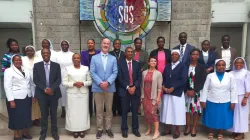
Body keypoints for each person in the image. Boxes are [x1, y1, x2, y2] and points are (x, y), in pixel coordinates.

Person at [200, 59, 237, 140]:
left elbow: (233, 89)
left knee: (223, 117)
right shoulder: (210, 76)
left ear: (225, 66)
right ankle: (211, 132)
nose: (221, 67)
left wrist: (233, 101)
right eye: (219, 65)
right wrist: (203, 100)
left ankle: (221, 132)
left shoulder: (230, 76)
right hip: (212, 99)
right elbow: (205, 88)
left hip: (225, 100)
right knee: (212, 116)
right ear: (215, 66)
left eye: (223, 65)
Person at [90, 38, 118, 139]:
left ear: (109, 45)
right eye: (104, 43)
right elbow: (92, 72)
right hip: (98, 88)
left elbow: (115, 72)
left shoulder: (113, 58)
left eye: (108, 44)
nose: (106, 45)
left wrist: (108, 82)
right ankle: (100, 129)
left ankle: (109, 128)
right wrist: (100, 82)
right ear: (101, 44)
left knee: (109, 109)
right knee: (99, 110)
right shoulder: (94, 58)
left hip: (109, 88)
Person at [33, 48, 62, 140]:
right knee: (44, 114)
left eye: (47, 52)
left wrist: (51, 89)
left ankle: (54, 132)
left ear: (50, 54)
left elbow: (58, 79)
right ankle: (43, 132)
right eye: (44, 53)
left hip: (54, 93)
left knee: (54, 114)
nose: (45, 54)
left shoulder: (56, 65)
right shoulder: (37, 66)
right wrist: (45, 89)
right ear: (41, 54)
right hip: (42, 94)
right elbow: (35, 80)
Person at [63, 53, 92, 138]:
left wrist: (83, 83)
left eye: (78, 58)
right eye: (74, 58)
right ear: (72, 59)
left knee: (83, 112)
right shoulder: (67, 69)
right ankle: (74, 130)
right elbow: (64, 82)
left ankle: (83, 129)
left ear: (80, 59)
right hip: (72, 94)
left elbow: (90, 82)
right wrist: (74, 84)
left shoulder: (86, 68)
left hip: (83, 94)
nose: (76, 59)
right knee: (73, 113)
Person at [160, 50, 188, 139]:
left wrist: (173, 87)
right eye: (172, 55)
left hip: (177, 92)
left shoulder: (183, 66)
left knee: (176, 111)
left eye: (176, 54)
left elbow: (183, 80)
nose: (174, 56)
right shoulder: (167, 66)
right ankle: (168, 128)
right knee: (167, 110)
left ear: (179, 56)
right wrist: (163, 86)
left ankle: (177, 130)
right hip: (167, 92)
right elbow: (163, 77)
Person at [4, 55, 32, 140]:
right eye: (16, 60)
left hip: (27, 96)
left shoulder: (26, 69)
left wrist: (33, 94)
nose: (18, 61)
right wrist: (11, 100)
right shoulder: (9, 71)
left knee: (26, 115)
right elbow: (7, 86)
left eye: (20, 60)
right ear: (13, 61)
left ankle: (25, 133)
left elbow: (31, 83)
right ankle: (16, 135)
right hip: (15, 97)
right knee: (15, 116)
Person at [118, 47, 142, 138]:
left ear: (134, 53)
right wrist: (128, 87)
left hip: (135, 91)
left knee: (135, 111)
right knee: (124, 111)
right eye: (128, 52)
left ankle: (135, 129)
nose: (130, 53)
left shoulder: (137, 64)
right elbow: (119, 78)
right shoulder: (120, 63)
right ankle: (124, 130)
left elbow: (139, 77)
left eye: (132, 52)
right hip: (124, 90)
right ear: (125, 53)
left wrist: (134, 86)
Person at [184, 48, 207, 137]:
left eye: (197, 54)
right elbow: (183, 79)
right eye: (193, 54)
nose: (195, 56)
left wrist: (195, 90)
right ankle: (188, 127)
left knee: (195, 110)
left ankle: (194, 127)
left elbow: (203, 80)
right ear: (190, 55)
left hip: (197, 92)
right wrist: (187, 90)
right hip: (187, 92)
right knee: (187, 110)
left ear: (199, 55)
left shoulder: (202, 66)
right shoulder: (186, 65)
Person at [228, 57, 250, 140]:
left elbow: (248, 87)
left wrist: (245, 98)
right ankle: (235, 130)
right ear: (234, 64)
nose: (238, 64)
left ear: (243, 64)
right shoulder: (230, 73)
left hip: (242, 96)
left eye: (240, 63)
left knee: (242, 115)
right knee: (233, 115)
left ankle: (241, 133)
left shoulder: (246, 73)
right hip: (232, 97)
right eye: (237, 63)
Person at [141, 56, 162, 140]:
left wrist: (158, 98)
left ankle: (157, 131)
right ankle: (149, 129)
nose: (153, 62)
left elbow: (159, 88)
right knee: (147, 113)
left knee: (153, 114)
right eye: (152, 61)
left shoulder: (158, 73)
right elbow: (141, 85)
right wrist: (141, 97)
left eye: (155, 61)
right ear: (148, 63)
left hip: (153, 97)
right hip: (145, 96)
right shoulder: (144, 73)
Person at [81, 39, 100, 117]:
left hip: (97, 77)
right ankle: (89, 113)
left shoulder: (99, 53)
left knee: (97, 96)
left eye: (91, 43)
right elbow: (82, 64)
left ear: (94, 44)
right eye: (88, 43)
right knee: (89, 95)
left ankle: (97, 112)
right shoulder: (83, 53)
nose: (90, 44)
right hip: (87, 77)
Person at [22, 45, 41, 126]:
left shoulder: (38, 59)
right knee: (30, 102)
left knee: (37, 102)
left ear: (34, 51)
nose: (30, 52)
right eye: (28, 51)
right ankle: (31, 119)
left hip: (37, 83)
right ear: (26, 52)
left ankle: (37, 118)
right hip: (26, 83)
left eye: (31, 51)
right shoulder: (22, 59)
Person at [56, 40, 74, 118]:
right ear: (61, 46)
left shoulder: (72, 54)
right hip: (61, 75)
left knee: (70, 92)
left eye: (66, 45)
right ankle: (63, 109)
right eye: (62, 45)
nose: (64, 46)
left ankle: (70, 109)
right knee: (62, 93)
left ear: (68, 45)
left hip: (71, 75)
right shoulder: (57, 55)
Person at [109, 39, 125, 116]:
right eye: (116, 44)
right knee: (113, 94)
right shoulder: (110, 54)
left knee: (121, 94)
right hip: (112, 76)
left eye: (118, 44)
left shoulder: (124, 54)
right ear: (113, 45)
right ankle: (113, 110)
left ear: (120, 45)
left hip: (122, 76)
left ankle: (120, 110)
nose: (117, 45)